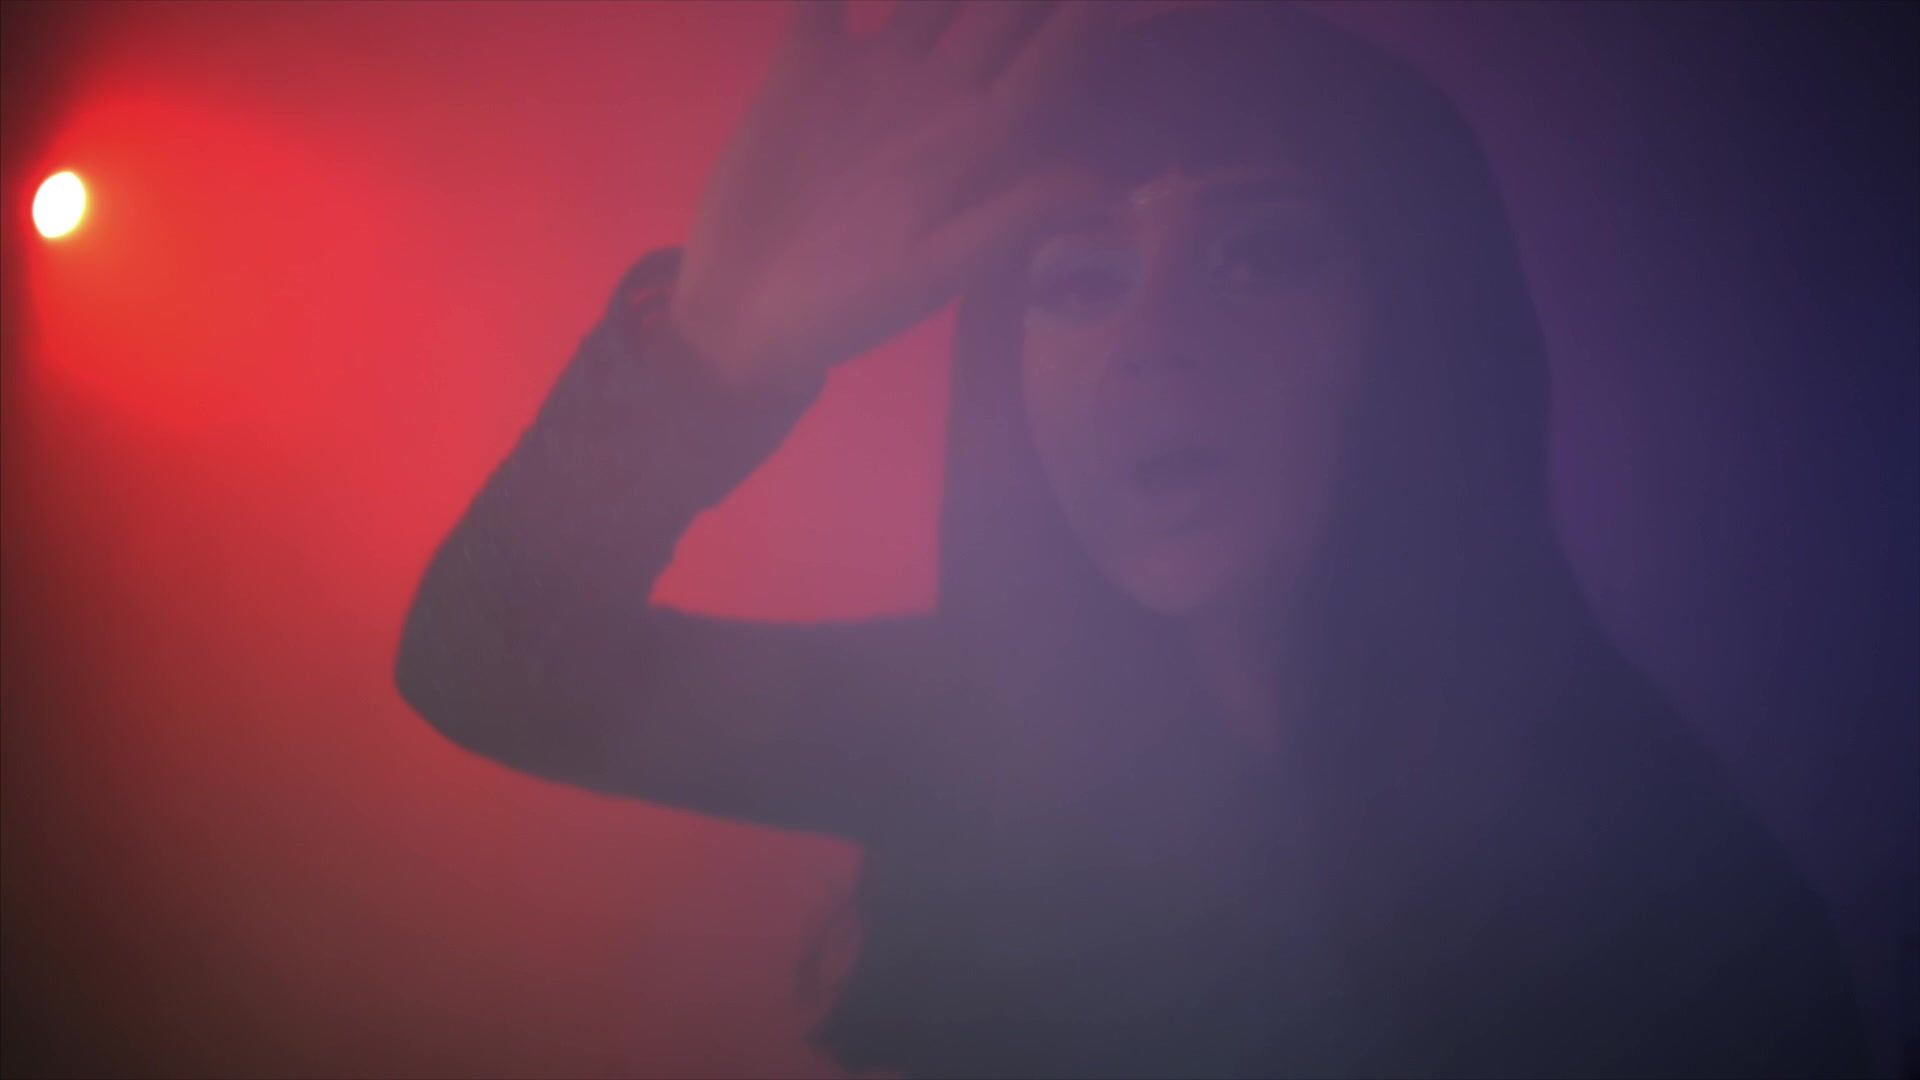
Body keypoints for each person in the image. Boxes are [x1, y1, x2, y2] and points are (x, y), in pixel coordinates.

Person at [394, 2, 1868, 1076]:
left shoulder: (1669, 898)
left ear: (1417, 331)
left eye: (1260, 253)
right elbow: (485, 665)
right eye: (1076, 280)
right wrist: (712, 357)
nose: (1151, 342)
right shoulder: (963, 734)